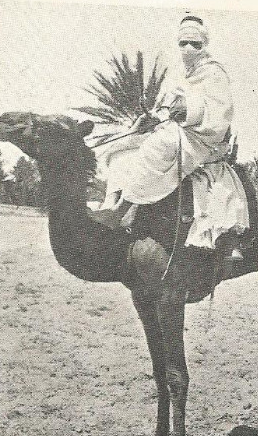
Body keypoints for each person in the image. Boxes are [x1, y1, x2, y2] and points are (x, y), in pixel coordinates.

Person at [92, 15, 246, 259]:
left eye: (195, 44)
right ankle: (112, 202)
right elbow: (167, 108)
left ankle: (123, 209)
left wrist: (189, 109)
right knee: (123, 145)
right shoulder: (181, 74)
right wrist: (152, 118)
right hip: (181, 130)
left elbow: (221, 112)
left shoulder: (214, 72)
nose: (188, 49)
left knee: (159, 144)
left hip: (204, 137)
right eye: (183, 43)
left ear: (204, 45)